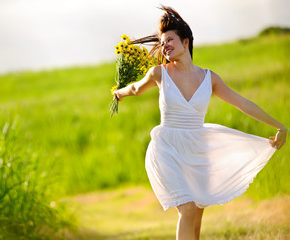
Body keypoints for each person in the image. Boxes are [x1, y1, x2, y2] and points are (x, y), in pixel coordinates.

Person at [113, 6, 287, 240]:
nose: (165, 47)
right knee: (187, 208)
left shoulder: (209, 79)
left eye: (170, 40)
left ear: (186, 42)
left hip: (198, 151)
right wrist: (118, 92)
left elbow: (243, 103)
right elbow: (135, 89)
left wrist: (280, 126)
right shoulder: (159, 73)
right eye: (163, 43)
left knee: (195, 221)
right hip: (168, 148)